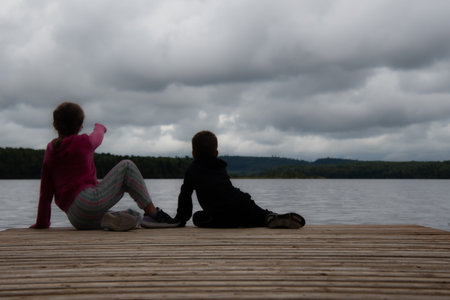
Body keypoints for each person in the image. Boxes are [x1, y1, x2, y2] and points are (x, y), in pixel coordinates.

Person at [31, 102, 179, 231]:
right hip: (87, 202)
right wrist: (100, 127)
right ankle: (154, 215)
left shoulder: (51, 151)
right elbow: (98, 137)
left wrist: (42, 223)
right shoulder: (83, 142)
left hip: (75, 217)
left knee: (132, 215)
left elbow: (45, 193)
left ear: (55, 125)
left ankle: (115, 220)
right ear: (80, 125)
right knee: (127, 166)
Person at [175, 130, 305, 228]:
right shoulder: (220, 166)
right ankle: (272, 217)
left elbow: (185, 196)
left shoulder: (192, 170)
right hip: (242, 203)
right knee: (261, 215)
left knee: (198, 217)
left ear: (193, 153)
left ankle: (245, 221)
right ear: (216, 153)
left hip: (219, 214)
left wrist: (180, 219)